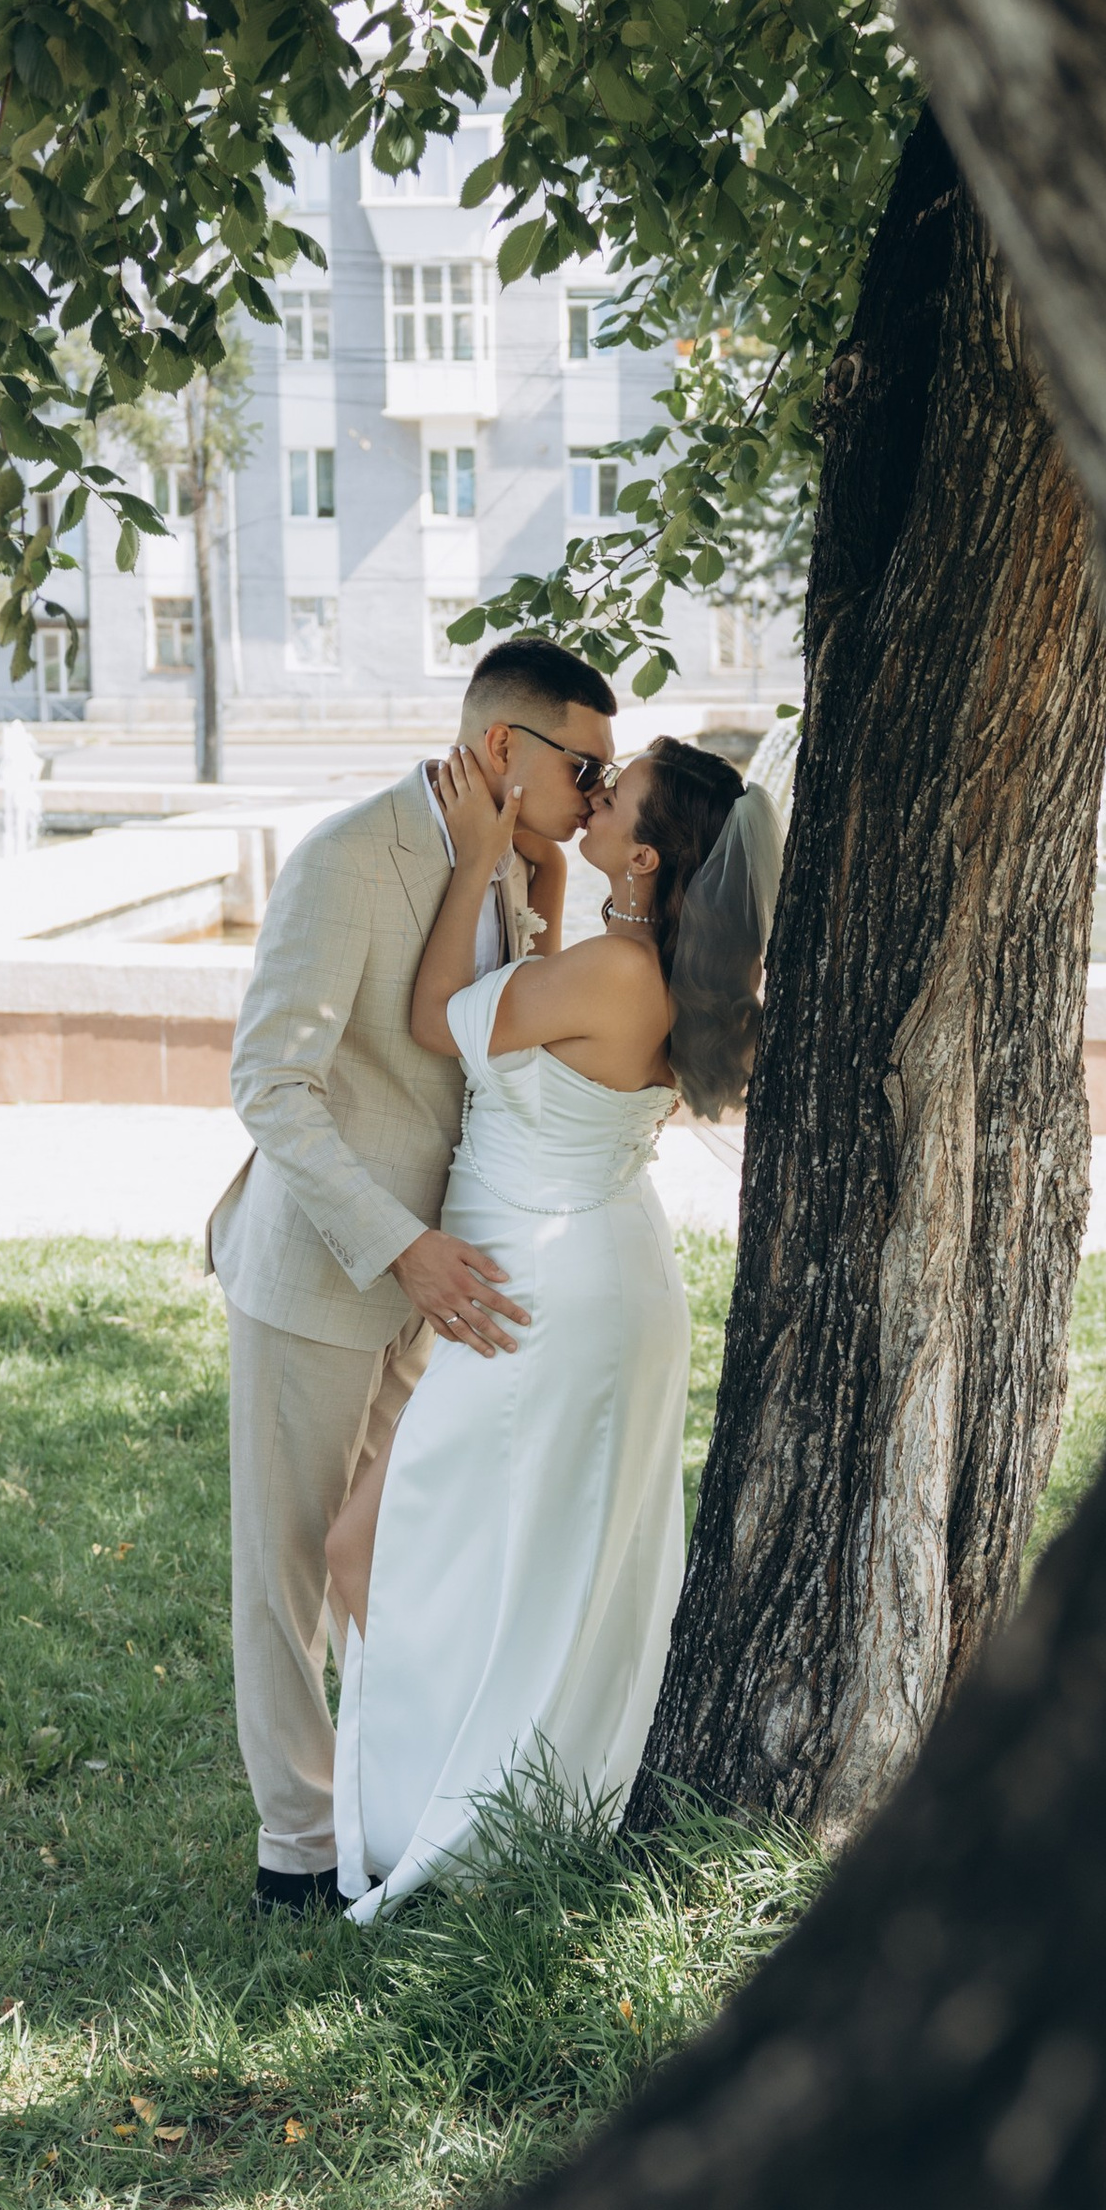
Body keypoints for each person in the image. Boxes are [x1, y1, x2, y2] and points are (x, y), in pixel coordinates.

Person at [321, 733, 778, 1921]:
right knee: (530, 1561)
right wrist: (554, 884)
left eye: (614, 796)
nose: (594, 798)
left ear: (648, 851)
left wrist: (478, 857)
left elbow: (435, 1017)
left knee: (370, 1549)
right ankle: (478, 1794)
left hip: (544, 1294)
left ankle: (456, 1815)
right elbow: (544, 995)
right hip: (586, 1274)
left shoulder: (621, 980)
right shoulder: (646, 963)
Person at [211, 636, 620, 1917]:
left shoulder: (514, 868)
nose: (601, 797)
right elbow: (268, 1085)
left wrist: (540, 890)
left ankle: (387, 1800)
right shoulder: (346, 858)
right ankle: (296, 1850)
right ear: (505, 749)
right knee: (287, 1570)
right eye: (586, 767)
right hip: (329, 1273)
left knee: (387, 1554)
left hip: (445, 1283)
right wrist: (401, 1246)